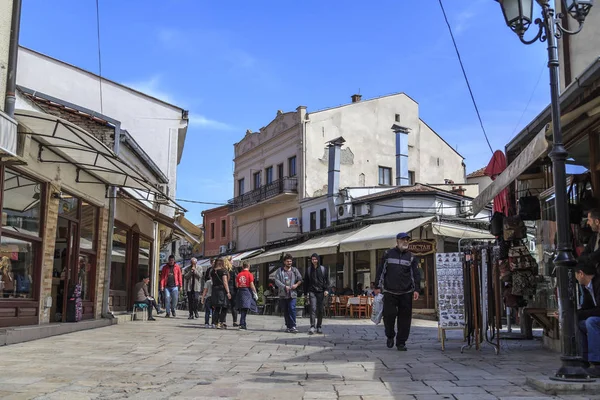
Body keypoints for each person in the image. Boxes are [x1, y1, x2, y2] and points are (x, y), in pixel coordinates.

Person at [375, 232, 420, 351]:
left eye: (407, 240)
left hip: (406, 292)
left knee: (405, 319)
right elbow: (380, 271)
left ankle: (401, 342)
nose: (405, 242)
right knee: (388, 316)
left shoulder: (411, 257)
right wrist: (377, 286)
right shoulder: (388, 254)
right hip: (389, 291)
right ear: (397, 241)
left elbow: (416, 275)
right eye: (403, 240)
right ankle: (390, 335)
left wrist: (416, 289)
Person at [575, 256, 600, 377]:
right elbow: (586, 308)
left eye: (576, 274)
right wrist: (573, 315)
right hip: (597, 316)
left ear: (581, 274)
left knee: (591, 322)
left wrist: (579, 314)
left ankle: (597, 363)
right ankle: (583, 360)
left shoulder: (598, 284)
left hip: (597, 318)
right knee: (580, 323)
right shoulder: (587, 288)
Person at [274, 253, 303, 333]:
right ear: (284, 262)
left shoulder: (294, 270)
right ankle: (288, 326)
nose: (289, 263)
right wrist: (284, 286)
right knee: (286, 310)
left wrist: (296, 285)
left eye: (290, 261)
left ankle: (293, 326)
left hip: (292, 294)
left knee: (292, 308)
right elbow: (276, 281)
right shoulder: (280, 271)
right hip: (283, 294)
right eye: (288, 261)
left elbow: (300, 279)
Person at [304, 253, 329, 335]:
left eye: (315, 259)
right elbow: (306, 282)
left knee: (320, 310)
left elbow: (326, 281)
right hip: (312, 292)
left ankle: (319, 326)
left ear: (318, 260)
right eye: (312, 259)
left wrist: (326, 289)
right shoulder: (308, 270)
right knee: (313, 309)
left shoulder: (323, 269)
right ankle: (312, 326)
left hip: (321, 292)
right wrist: (305, 293)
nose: (314, 261)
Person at [210, 257, 232, 329]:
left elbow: (212, 281)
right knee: (224, 307)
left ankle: (215, 322)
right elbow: (225, 282)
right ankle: (221, 322)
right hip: (221, 290)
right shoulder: (223, 271)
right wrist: (228, 292)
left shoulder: (213, 271)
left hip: (214, 290)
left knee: (217, 308)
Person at [236, 262, 258, 330]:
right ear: (249, 266)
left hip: (240, 291)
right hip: (247, 291)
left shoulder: (239, 274)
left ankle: (242, 323)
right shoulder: (249, 274)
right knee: (245, 308)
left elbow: (236, 285)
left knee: (243, 308)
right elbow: (251, 284)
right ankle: (242, 323)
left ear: (242, 267)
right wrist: (255, 292)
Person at [224, 257, 239, 327]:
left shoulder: (223, 269)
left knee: (225, 306)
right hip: (233, 289)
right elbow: (236, 279)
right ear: (230, 261)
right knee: (234, 306)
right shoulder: (234, 269)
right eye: (232, 260)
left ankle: (223, 321)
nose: (233, 261)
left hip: (225, 289)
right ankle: (235, 321)